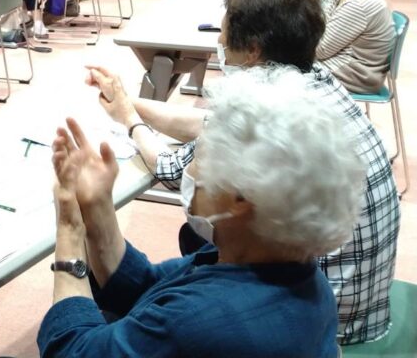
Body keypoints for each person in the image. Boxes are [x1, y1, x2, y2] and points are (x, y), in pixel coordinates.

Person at [87, 0, 399, 345]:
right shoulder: (312, 83)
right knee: (198, 241)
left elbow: (173, 170)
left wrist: (132, 125)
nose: (219, 45)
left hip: (314, 322)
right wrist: (129, 105)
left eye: (223, 38)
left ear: (252, 50)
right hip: (351, 303)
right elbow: (204, 124)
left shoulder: (264, 101)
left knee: (205, 233)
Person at [39, 68, 364, 357]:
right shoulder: (288, 269)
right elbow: (145, 285)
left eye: (198, 154)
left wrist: (69, 228)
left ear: (240, 197)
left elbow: (69, 349)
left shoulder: (197, 322)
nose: (190, 169)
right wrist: (96, 207)